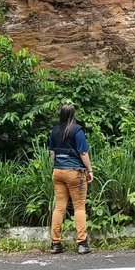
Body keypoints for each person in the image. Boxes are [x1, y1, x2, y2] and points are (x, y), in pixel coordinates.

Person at [48, 104, 94, 254]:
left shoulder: (55, 130)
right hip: (75, 172)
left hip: (58, 171)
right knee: (79, 207)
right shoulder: (77, 130)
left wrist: (57, 167)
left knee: (59, 207)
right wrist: (90, 170)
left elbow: (52, 154)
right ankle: (82, 244)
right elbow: (83, 153)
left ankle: (56, 244)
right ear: (73, 114)